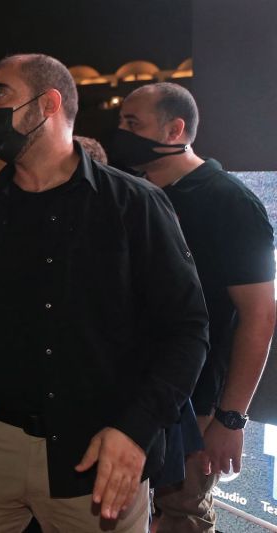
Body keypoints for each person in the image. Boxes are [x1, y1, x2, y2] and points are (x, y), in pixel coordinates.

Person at [0, 53, 209, 532]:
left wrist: (136, 430)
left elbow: (188, 330)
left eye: (0, 94)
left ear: (48, 104)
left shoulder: (133, 205)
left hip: (98, 447)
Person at [115, 82, 276, 532]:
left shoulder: (230, 202)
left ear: (175, 128)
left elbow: (259, 315)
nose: (121, 134)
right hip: (133, 391)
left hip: (197, 402)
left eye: (133, 124)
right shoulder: (131, 194)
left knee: (181, 515)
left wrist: (230, 418)